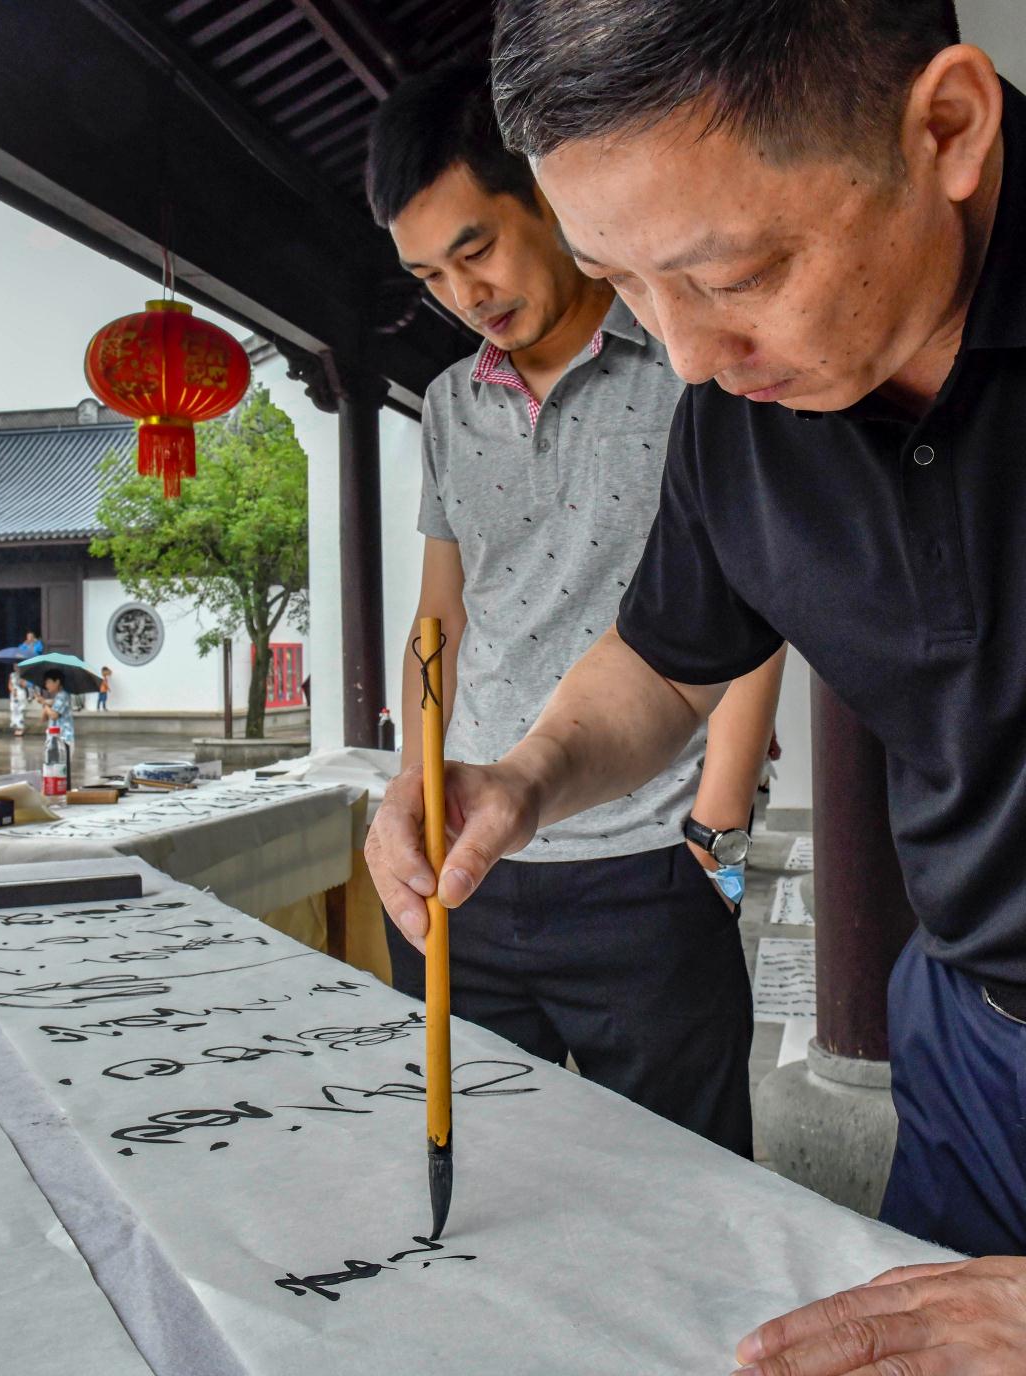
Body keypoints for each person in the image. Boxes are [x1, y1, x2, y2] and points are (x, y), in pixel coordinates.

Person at [380, 0, 1026, 1367]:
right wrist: (523, 780)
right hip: (972, 1033)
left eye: (730, 272)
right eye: (622, 278)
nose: (680, 354)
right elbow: (671, 660)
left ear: (948, 129)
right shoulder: (735, 406)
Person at [364, 64, 785, 1153]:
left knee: (678, 1180)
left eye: (476, 249)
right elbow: (442, 617)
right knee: (486, 1170)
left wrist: (716, 827)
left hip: (648, 861)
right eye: (431, 276)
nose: (466, 294)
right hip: (471, 853)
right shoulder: (449, 404)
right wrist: (412, 786)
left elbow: (747, 608)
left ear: (546, 199)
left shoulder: (689, 363)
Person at [35, 670, 74, 746]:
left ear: (57, 682)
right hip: (54, 739)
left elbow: (54, 716)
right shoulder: (57, 698)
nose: (46, 685)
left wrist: (44, 703)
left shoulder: (63, 696)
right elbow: (44, 719)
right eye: (46, 683)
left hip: (63, 739)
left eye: (49, 682)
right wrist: (45, 703)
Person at [9, 669, 26, 737]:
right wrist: (12, 690)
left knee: (20, 710)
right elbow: (9, 684)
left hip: (21, 693)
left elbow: (24, 685)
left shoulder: (23, 674)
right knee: (14, 710)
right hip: (13, 693)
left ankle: (21, 727)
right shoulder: (12, 675)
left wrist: (20, 681)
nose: (15, 667)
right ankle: (15, 727)